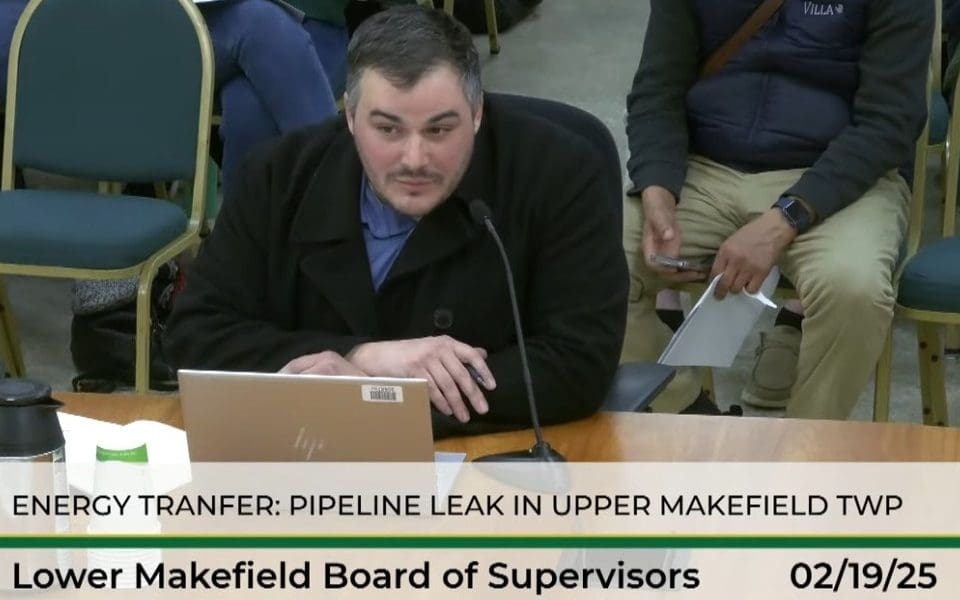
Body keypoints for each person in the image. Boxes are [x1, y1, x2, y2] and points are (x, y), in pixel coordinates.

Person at [164, 5, 628, 436]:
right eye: (387, 129)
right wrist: (364, 356)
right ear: (350, 117)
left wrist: (383, 396)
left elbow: (578, 362)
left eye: (440, 129)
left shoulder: (560, 171)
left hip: (483, 458)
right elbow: (195, 337)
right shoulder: (277, 175)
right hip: (308, 451)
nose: (414, 159)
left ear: (477, 114)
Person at [621, 0, 934, 419]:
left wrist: (785, 218)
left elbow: (889, 121)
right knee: (583, 261)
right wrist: (657, 186)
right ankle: (691, 420)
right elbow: (657, 90)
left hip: (838, 176)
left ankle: (805, 448)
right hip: (706, 166)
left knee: (854, 290)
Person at [198, 0, 340, 200]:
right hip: (190, 21)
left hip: (316, 22)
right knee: (262, 22)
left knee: (249, 111)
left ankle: (241, 221)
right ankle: (342, 195)